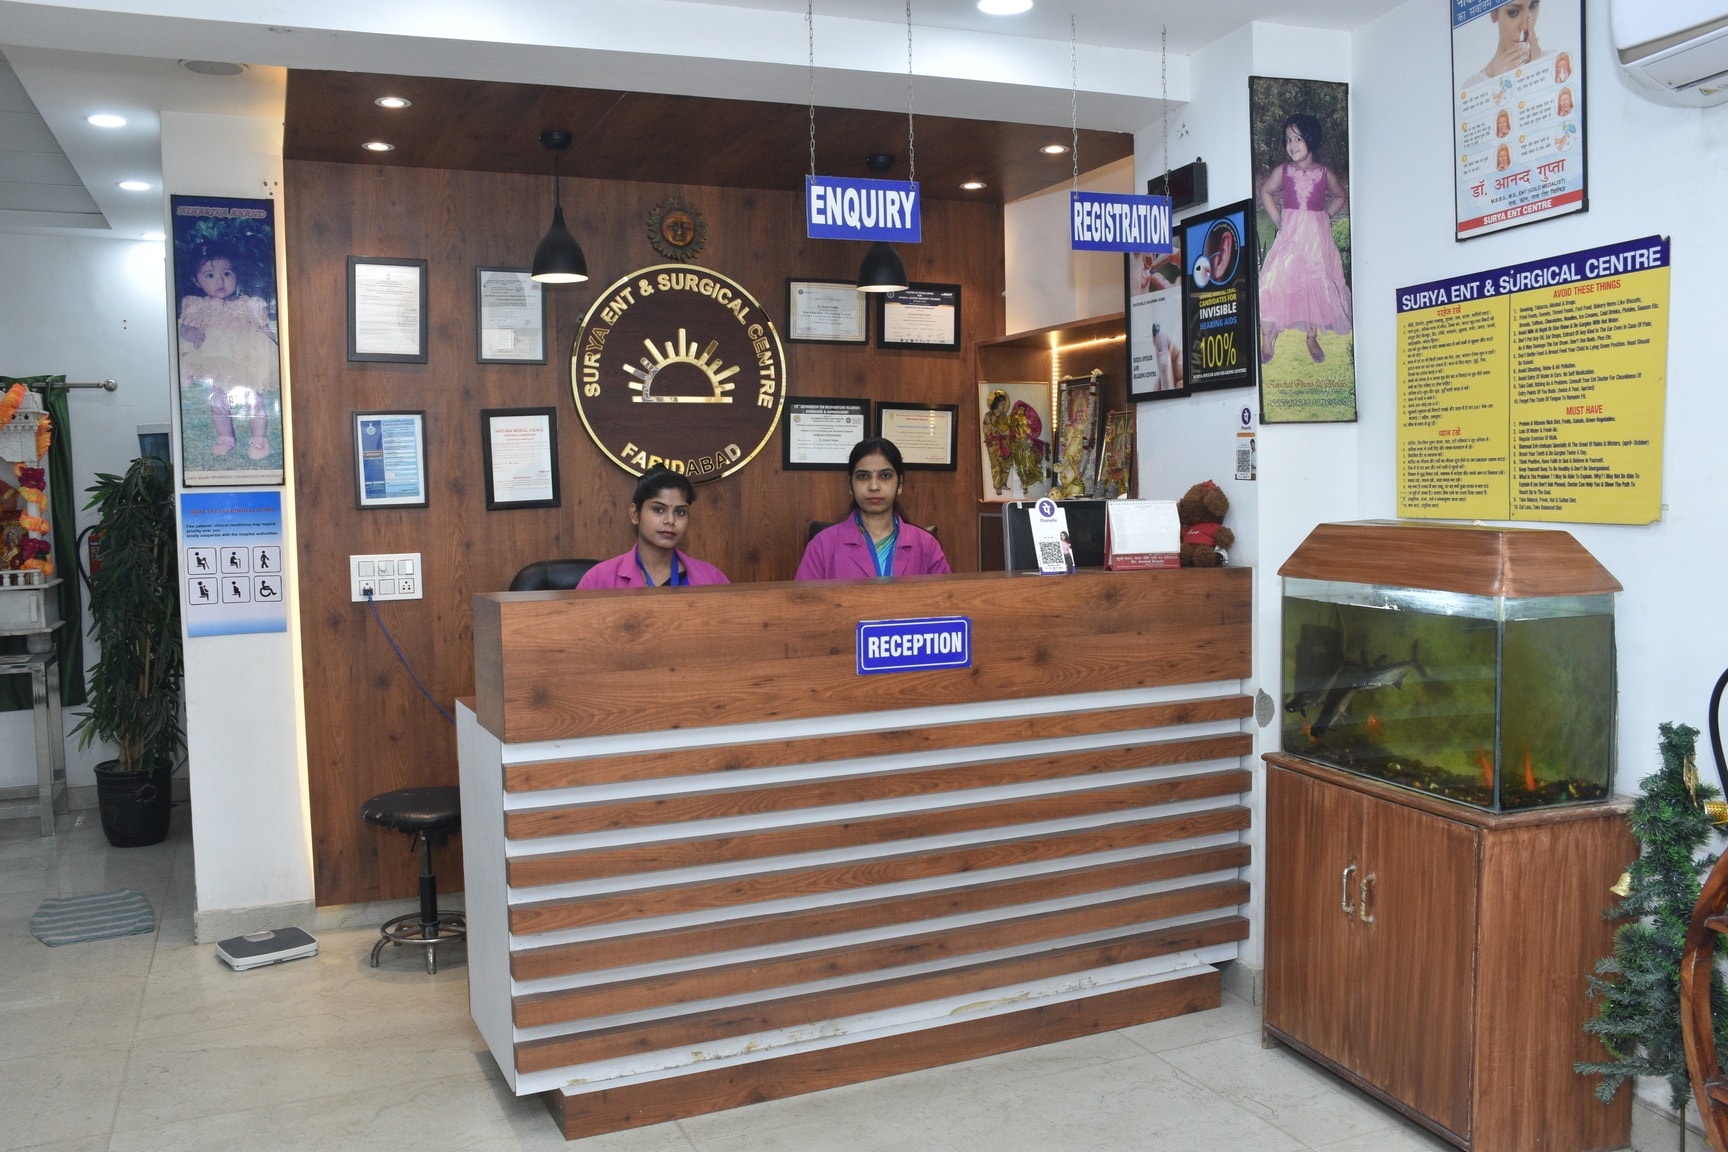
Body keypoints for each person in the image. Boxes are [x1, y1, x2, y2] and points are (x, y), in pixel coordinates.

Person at [1257, 113, 1352, 366]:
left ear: (1311, 139)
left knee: (1314, 283)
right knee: (1272, 281)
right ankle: (1269, 334)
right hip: (1290, 235)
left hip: (1315, 239)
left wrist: (1324, 217)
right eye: (1288, 140)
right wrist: (1278, 220)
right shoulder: (1284, 170)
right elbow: (1266, 191)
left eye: (1298, 138)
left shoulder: (1323, 173)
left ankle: (1311, 336)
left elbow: (1340, 196)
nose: (1292, 145)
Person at [177, 246, 280, 461]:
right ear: (197, 281)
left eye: (226, 273)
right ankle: (225, 437)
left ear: (235, 274)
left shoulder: (248, 304)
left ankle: (258, 439)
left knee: (254, 400)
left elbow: (264, 328)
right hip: (217, 362)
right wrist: (192, 332)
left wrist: (276, 349)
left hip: (246, 361)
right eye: (210, 275)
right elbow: (184, 328)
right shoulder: (198, 306)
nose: (220, 281)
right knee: (217, 400)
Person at [796, 438, 949, 580]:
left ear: (900, 484)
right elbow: (803, 605)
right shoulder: (822, 545)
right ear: (850, 484)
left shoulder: (927, 545)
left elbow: (946, 604)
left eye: (885, 476)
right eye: (863, 476)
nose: (874, 486)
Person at [577, 467, 729, 588]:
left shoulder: (712, 578)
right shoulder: (599, 579)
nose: (670, 520)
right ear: (635, 514)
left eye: (680, 512)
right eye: (658, 509)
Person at [1463, 0, 1542, 86]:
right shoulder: (1473, 85)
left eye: (1533, 5)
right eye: (1513, 12)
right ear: (1493, 13)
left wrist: (1538, 72)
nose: (1525, 27)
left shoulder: (1554, 61)